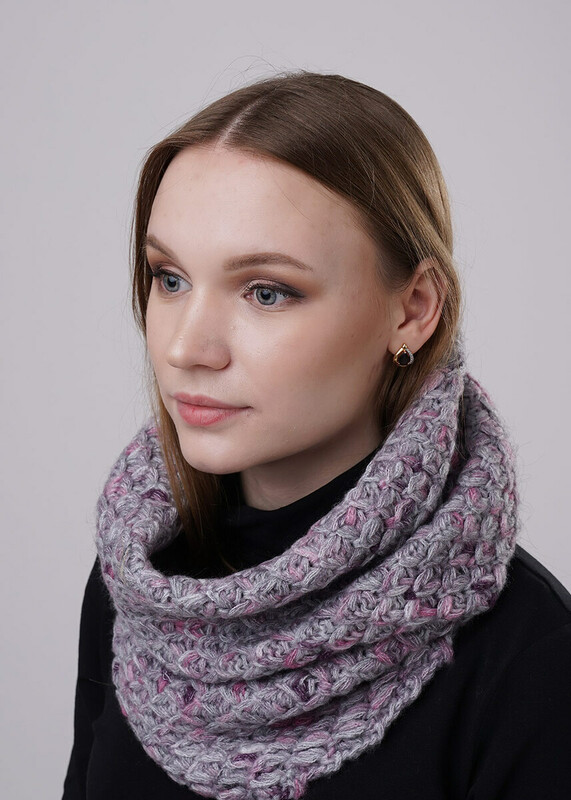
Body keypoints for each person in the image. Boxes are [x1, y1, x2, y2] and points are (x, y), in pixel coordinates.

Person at [62, 72, 571, 800]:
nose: (185, 347)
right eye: (169, 278)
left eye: (266, 292)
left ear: (413, 309)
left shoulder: (528, 655)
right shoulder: (141, 586)